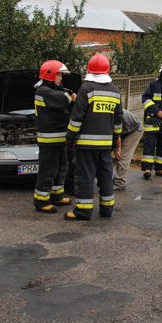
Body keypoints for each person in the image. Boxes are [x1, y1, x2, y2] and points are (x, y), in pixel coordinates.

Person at [64, 53, 123, 221]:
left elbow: (76, 118)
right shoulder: (115, 91)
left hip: (86, 145)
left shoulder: (86, 89)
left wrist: (69, 140)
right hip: (105, 145)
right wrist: (115, 139)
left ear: (89, 70)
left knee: (85, 177)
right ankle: (107, 209)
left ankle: (83, 211)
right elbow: (118, 121)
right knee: (105, 175)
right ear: (107, 70)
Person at [33, 60, 76, 213]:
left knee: (61, 167)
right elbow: (63, 99)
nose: (61, 78)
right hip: (49, 139)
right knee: (48, 170)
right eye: (58, 74)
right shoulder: (43, 91)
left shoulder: (52, 90)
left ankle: (57, 195)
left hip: (58, 138)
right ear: (50, 75)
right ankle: (41, 200)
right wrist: (70, 97)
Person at [112, 109, 143, 190]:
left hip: (134, 130)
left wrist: (118, 148)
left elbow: (116, 135)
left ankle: (120, 182)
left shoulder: (111, 116)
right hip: (123, 128)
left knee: (123, 155)